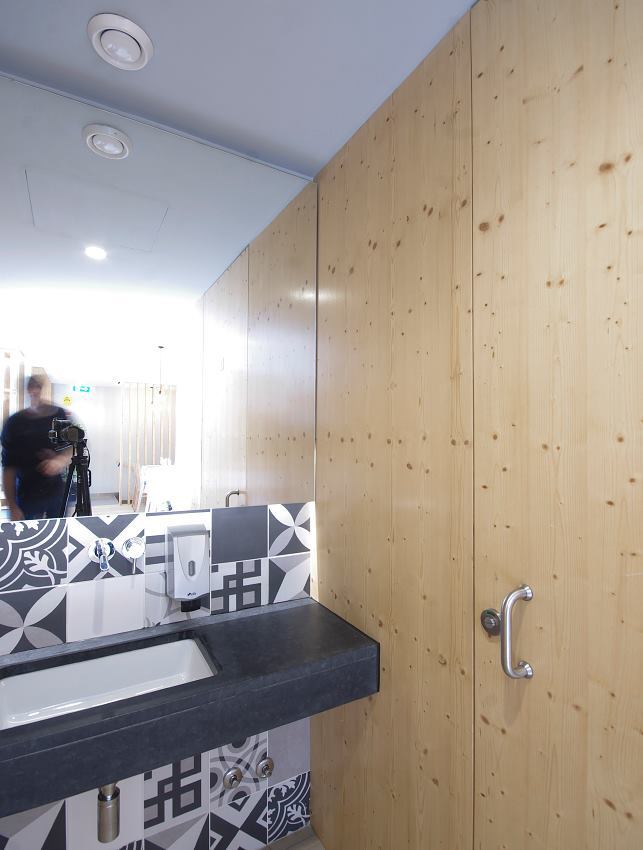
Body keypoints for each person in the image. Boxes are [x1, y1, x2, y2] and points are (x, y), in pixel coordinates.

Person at [1, 375, 72, 520]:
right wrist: (12, 507)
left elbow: (72, 448)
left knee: (58, 531)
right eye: (32, 387)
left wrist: (59, 461)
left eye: (39, 386)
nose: (35, 391)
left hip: (56, 493)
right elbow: (8, 468)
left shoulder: (59, 415)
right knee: (27, 532)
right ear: (27, 390)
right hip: (26, 494)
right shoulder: (14, 423)